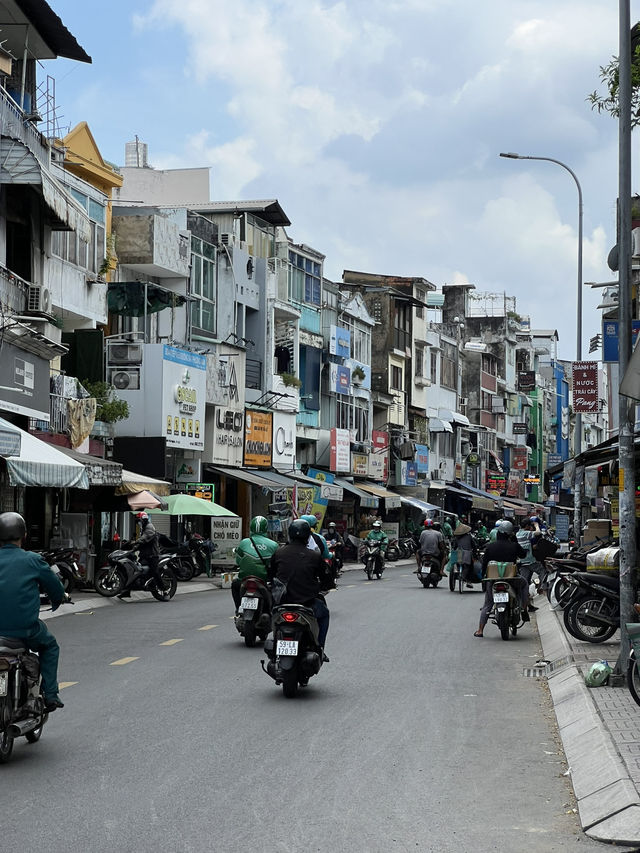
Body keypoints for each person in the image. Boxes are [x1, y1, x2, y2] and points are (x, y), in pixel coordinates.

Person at [0, 512, 66, 711]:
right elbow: (55, 588)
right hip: (25, 629)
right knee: (50, 646)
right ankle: (51, 695)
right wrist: (58, 599)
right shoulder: (33, 560)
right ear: (24, 536)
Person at [268, 519, 330, 658]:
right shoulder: (314, 556)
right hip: (307, 603)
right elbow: (326, 578)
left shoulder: (279, 553)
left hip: (282, 603)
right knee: (324, 614)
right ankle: (319, 648)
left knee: (273, 612)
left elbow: (270, 575)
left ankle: (276, 639)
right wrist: (326, 585)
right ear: (308, 536)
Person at [474, 520, 528, 638]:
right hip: (511, 579)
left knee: (488, 604)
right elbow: (523, 555)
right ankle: (524, 609)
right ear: (509, 534)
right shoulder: (514, 546)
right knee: (524, 584)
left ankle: (480, 630)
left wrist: (484, 576)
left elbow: (484, 565)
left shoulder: (490, 547)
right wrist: (515, 541)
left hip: (493, 579)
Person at [231, 515, 279, 613]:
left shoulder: (244, 542)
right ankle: (271, 611)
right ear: (266, 528)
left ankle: (239, 608)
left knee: (235, 585)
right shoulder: (273, 545)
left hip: (244, 579)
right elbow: (274, 565)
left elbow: (238, 562)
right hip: (264, 580)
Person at [119, 511, 164, 599]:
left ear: (144, 520)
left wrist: (135, 542)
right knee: (135, 571)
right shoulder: (143, 528)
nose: (138, 523)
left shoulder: (149, 527)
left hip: (152, 556)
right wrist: (132, 548)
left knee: (155, 572)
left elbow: (144, 538)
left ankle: (163, 589)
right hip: (144, 555)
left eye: (139, 521)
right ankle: (126, 591)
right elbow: (141, 543)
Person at [516, 517, 545, 604]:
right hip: (530, 561)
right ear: (528, 526)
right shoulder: (526, 533)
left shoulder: (517, 534)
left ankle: (525, 602)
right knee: (543, 570)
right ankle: (541, 587)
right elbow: (538, 533)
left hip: (522, 562)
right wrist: (536, 525)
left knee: (524, 583)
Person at [453, 521, 476, 588]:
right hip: (467, 554)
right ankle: (468, 580)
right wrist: (475, 553)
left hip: (459, 553)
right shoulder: (469, 537)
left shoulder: (457, 538)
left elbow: (454, 547)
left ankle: (459, 573)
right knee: (470, 566)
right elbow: (474, 546)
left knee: (458, 564)